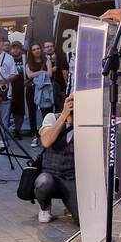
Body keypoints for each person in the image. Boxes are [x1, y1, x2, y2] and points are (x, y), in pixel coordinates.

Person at [35, 93, 78, 223]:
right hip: (51, 174)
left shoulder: (85, 123)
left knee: (81, 219)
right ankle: (44, 206)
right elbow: (46, 141)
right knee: (43, 183)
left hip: (72, 177)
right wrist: (64, 115)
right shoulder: (52, 118)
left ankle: (69, 203)